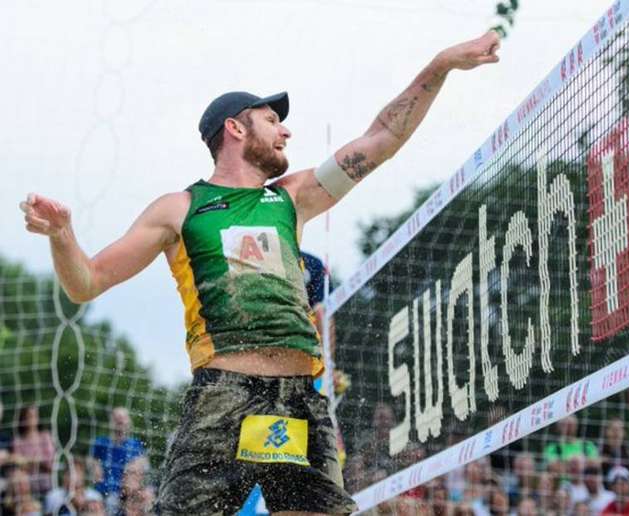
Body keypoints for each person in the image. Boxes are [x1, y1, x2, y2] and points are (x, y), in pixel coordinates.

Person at [20, 31, 501, 515]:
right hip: (225, 396)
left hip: (299, 402)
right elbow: (86, 282)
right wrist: (63, 235)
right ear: (235, 128)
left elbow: (383, 138)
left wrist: (440, 65)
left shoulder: (291, 199)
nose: (285, 131)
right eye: (272, 120)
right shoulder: (180, 209)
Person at [89, 407, 145, 510]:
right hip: (103, 493)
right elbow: (96, 473)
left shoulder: (135, 445)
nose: (120, 419)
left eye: (123, 417)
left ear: (129, 421)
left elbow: (137, 472)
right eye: (116, 417)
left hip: (127, 494)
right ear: (111, 421)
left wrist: (126, 491)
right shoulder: (100, 443)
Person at [12, 405, 55, 498]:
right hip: (25, 489)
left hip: (46, 484)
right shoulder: (18, 441)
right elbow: (18, 464)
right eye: (28, 416)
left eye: (34, 415)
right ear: (22, 419)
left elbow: (50, 464)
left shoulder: (45, 437)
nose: (32, 419)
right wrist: (36, 461)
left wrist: (29, 461)